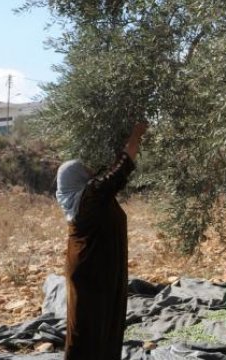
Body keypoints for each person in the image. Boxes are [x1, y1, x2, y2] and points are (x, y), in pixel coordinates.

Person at [56, 121, 147, 359]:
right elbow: (120, 169)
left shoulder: (83, 198)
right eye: (83, 169)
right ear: (75, 177)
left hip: (93, 271)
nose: (89, 171)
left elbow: (108, 174)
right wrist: (136, 134)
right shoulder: (90, 198)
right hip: (93, 274)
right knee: (90, 329)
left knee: (96, 326)